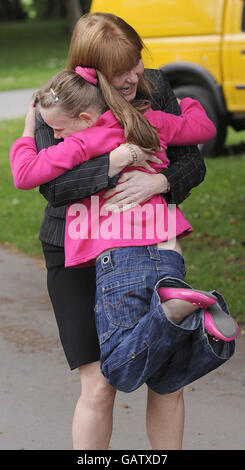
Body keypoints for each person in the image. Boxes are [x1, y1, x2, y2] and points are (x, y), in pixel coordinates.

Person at [11, 12, 236, 450]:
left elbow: (193, 159)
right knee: (99, 385)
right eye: (120, 71)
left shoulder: (154, 87)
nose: (134, 76)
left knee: (168, 381)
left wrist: (160, 181)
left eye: (135, 62)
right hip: (75, 251)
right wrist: (119, 161)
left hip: (142, 243)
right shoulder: (60, 98)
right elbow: (53, 187)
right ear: (90, 71)